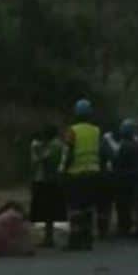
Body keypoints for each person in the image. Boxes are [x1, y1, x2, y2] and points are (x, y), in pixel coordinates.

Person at [60, 99, 101, 250]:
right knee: (88, 207)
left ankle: (75, 241)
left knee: (75, 208)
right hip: (93, 174)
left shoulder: (72, 131)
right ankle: (88, 239)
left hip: (76, 175)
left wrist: (62, 170)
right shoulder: (96, 131)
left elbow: (67, 153)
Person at [29, 125, 65, 248]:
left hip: (48, 181)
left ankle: (48, 239)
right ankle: (48, 238)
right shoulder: (57, 144)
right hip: (52, 180)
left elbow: (44, 159)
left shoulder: (54, 145)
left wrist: (35, 150)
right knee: (49, 212)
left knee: (47, 211)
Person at [112, 119, 138, 238]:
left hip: (123, 179)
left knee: (122, 205)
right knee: (136, 205)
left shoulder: (121, 147)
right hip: (137, 179)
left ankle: (124, 228)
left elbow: (116, 163)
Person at [98, 123, 120, 240]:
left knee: (100, 205)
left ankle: (100, 229)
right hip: (105, 177)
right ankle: (103, 230)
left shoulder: (100, 141)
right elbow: (113, 157)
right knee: (105, 205)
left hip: (95, 175)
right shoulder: (107, 143)